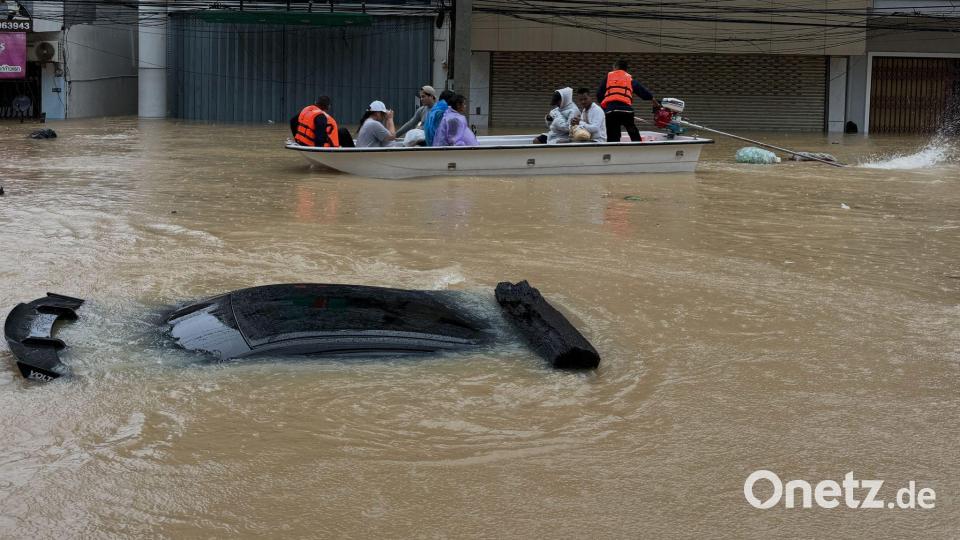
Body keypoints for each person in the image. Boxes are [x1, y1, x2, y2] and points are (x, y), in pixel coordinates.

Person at [597, 59, 657, 142]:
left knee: (613, 136)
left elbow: (599, 94)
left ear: (616, 67)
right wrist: (652, 99)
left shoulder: (609, 77)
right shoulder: (629, 79)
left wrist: (606, 107)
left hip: (611, 111)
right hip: (627, 111)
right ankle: (638, 150)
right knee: (633, 132)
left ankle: (614, 152)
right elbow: (641, 91)